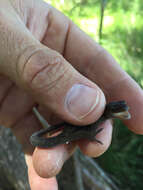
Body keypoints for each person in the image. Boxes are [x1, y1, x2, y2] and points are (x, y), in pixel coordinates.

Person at [0, 0, 143, 189]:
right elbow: (86, 131)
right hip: (68, 131)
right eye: (119, 109)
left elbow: (86, 130)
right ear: (112, 112)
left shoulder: (100, 115)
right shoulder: (97, 112)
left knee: (52, 149)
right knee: (56, 143)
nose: (122, 111)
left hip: (68, 130)